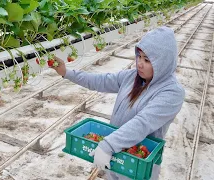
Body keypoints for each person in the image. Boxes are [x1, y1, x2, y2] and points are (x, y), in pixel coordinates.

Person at [52, 26, 185, 180]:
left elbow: (143, 123)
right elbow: (100, 81)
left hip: (137, 163)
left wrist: (108, 145)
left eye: (147, 60)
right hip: (115, 154)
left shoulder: (172, 92)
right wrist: (66, 72)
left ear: (163, 63)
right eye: (139, 56)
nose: (140, 64)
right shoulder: (132, 77)